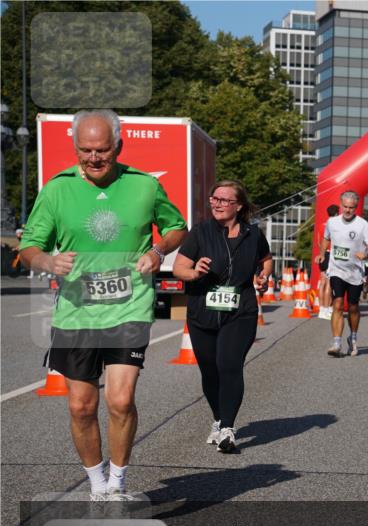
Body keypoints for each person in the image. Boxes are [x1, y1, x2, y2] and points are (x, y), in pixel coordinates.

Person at [18, 109, 187, 499]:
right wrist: (47, 262)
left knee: (121, 400)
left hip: (129, 307)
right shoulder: (57, 190)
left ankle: (118, 484)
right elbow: (29, 248)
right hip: (76, 312)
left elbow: (177, 227)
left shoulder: (144, 185)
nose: (94, 158)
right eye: (86, 150)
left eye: (102, 150)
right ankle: (97, 485)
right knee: (80, 406)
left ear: (119, 146)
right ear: (76, 148)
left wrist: (158, 251)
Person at [174, 180, 272, 453]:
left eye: (224, 200)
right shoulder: (200, 232)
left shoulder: (253, 234)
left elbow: (266, 260)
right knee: (209, 369)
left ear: (238, 206)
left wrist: (263, 277)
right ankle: (218, 418)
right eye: (214, 199)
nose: (216, 204)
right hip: (202, 310)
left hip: (240, 310)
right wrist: (195, 272)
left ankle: (228, 428)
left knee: (229, 364)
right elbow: (179, 268)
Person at [315, 192, 368, 356]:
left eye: (351, 207)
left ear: (356, 207)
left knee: (353, 307)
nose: (348, 210)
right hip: (336, 269)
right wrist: (322, 253)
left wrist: (365, 254)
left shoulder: (362, 225)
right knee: (337, 303)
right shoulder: (332, 222)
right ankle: (336, 343)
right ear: (341, 205)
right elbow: (326, 238)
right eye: (345, 207)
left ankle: (353, 337)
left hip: (355, 272)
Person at [316, 205, 337, 319]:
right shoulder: (334, 225)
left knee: (322, 283)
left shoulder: (321, 225)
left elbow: (319, 242)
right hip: (331, 255)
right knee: (329, 284)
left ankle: (321, 309)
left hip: (323, 255)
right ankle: (327, 309)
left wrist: (322, 253)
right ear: (336, 213)